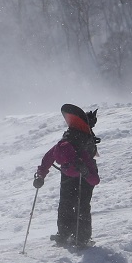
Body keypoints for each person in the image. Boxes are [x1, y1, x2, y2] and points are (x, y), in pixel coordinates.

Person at [33, 104, 100, 247]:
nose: (66, 164)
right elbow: (46, 161)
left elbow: (95, 180)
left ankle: (81, 237)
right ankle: (65, 233)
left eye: (69, 163)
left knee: (81, 206)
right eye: (63, 163)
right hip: (70, 177)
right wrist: (40, 176)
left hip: (85, 176)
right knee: (66, 203)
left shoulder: (82, 154)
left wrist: (86, 172)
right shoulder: (60, 148)